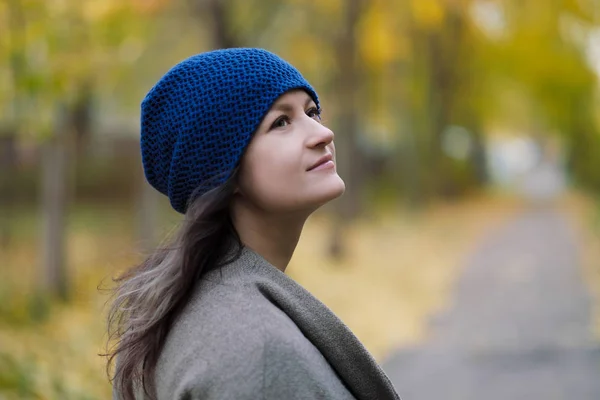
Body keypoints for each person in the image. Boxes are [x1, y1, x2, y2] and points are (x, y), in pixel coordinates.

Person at [107, 48, 400, 400]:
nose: (324, 133)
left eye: (312, 112)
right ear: (224, 172)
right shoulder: (257, 355)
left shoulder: (202, 305)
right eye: (280, 122)